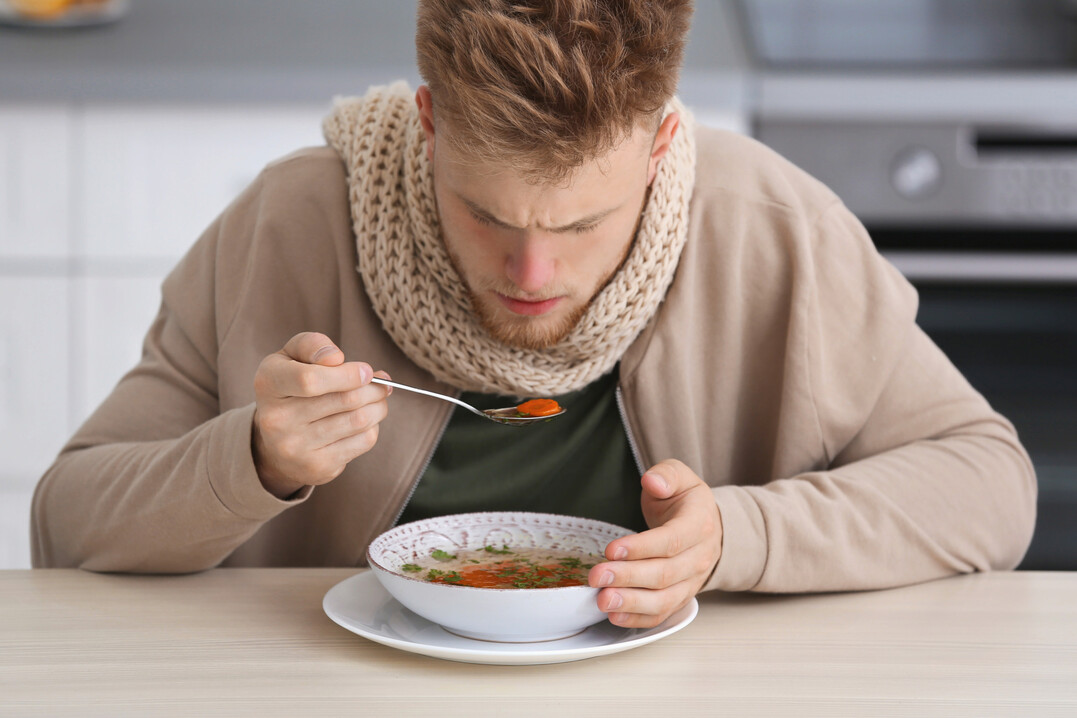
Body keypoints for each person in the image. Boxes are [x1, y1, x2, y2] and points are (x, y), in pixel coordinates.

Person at [31, 0, 1036, 630]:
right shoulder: (287, 224)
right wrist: (253, 459)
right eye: (485, 213)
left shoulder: (772, 228)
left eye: (584, 223)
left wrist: (737, 535)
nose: (532, 272)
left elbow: (989, 482)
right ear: (427, 127)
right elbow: (66, 522)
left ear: (658, 147)